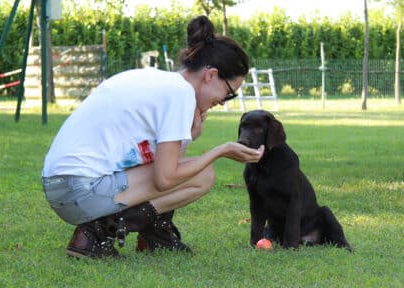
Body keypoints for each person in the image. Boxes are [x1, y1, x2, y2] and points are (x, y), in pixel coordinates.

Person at [41, 15, 265, 259]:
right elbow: (165, 179)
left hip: (61, 186)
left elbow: (164, 166)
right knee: (204, 175)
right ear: (210, 75)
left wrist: (188, 137)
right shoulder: (181, 94)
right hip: (80, 190)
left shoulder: (160, 81)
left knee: (193, 172)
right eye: (229, 93)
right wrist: (220, 151)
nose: (222, 102)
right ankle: (97, 232)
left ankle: (154, 234)